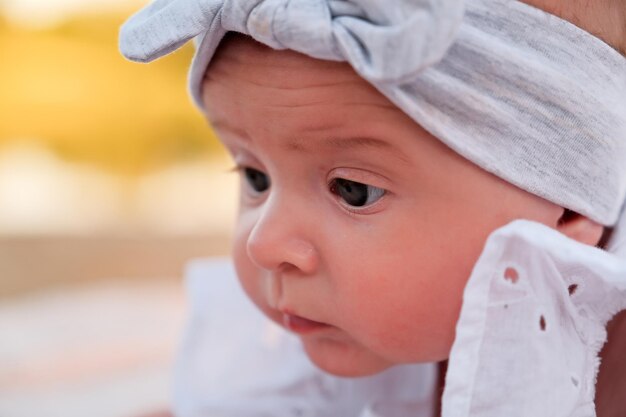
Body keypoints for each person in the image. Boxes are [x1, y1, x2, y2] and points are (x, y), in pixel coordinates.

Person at [119, 0, 626, 415]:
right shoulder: (301, 361)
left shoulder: (601, 386)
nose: (264, 244)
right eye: (256, 177)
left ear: (567, 210)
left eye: (353, 191)